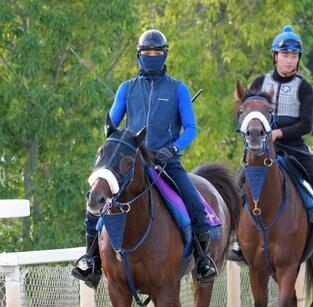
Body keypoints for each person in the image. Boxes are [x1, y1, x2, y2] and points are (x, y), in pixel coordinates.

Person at [72, 29, 218, 288]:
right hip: (131, 162)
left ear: (165, 55)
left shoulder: (178, 89)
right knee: (96, 200)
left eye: (157, 52)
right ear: (139, 55)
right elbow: (111, 125)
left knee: (195, 205)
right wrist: (114, 137)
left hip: (166, 161)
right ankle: (91, 261)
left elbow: (192, 129)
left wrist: (172, 149)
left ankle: (203, 259)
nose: (152, 56)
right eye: (147, 52)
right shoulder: (126, 88)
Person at [229, 24, 313, 262]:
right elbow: (247, 114)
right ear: (275, 56)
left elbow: (307, 124)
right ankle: (237, 241)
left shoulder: (305, 88)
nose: (289, 60)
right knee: (237, 188)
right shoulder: (259, 82)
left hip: (294, 149)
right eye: (285, 55)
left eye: (294, 56)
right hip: (260, 150)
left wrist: (278, 133)